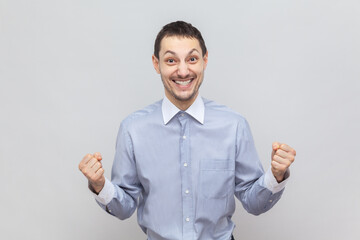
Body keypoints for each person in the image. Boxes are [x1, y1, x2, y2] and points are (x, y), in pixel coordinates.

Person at [78, 21, 296, 240]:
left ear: (205, 60)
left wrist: (275, 176)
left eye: (192, 59)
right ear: (156, 64)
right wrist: (100, 185)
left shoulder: (234, 125)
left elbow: (254, 202)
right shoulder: (132, 129)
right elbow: (123, 208)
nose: (183, 71)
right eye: (171, 60)